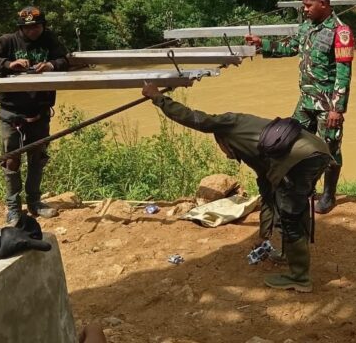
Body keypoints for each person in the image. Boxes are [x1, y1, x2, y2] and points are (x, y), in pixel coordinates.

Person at [141, 82, 331, 293]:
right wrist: (263, 236)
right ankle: (289, 256)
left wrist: (158, 98)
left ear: (222, 140)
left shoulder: (227, 123)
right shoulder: (251, 142)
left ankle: (300, 278)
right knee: (293, 206)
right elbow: (267, 195)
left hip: (302, 160)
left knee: (290, 215)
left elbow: (194, 118)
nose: (225, 155)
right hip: (318, 151)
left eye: (222, 149)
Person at [245, 0, 353, 214]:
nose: (305, 9)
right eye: (304, 5)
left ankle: (329, 196)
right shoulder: (306, 27)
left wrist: (337, 109)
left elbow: (344, 73)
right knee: (291, 140)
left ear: (322, 3)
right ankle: (303, 188)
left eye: (308, 5)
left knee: (330, 148)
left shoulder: (340, 32)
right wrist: (262, 44)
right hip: (305, 101)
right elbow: (290, 47)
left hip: (327, 105)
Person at [0, 6, 68, 225]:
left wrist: (51, 65)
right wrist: (9, 64)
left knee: (37, 158)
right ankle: (13, 208)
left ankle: (35, 202)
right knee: (11, 160)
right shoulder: (8, 42)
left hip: (40, 111)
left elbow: (66, 59)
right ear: (20, 28)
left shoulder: (49, 40)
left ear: (43, 25)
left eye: (36, 26)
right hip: (12, 112)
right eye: (28, 28)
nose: (32, 31)